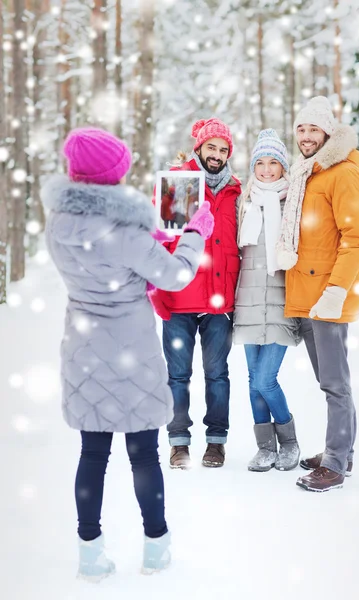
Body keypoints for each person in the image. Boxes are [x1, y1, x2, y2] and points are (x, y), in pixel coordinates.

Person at [41, 127, 214, 581]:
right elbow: (176, 275)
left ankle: (89, 554)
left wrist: (145, 240)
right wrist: (194, 232)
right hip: (131, 353)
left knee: (92, 454)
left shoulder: (58, 222)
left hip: (84, 348)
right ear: (112, 175)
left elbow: (103, 265)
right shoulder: (126, 231)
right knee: (143, 454)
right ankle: (156, 548)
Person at [276, 96, 359, 492]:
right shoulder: (306, 173)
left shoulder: (341, 173)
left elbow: (357, 239)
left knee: (335, 383)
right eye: (301, 128)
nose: (306, 135)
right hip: (308, 294)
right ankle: (342, 451)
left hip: (327, 296)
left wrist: (335, 290)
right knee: (330, 381)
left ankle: (334, 462)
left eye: (314, 129)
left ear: (328, 132)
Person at [149, 118, 242, 469]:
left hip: (219, 300)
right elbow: (161, 240)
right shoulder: (178, 182)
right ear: (199, 147)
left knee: (218, 374)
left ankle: (216, 443)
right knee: (177, 374)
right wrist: (157, 285)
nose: (216, 154)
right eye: (211, 147)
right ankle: (178, 442)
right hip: (180, 298)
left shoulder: (235, 190)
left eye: (223, 149)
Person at [234, 129, 302, 472]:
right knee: (252, 381)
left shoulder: (293, 202)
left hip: (280, 302)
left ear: (282, 166)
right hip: (246, 303)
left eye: (272, 162)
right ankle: (265, 448)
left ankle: (289, 442)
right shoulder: (245, 203)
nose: (265, 169)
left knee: (265, 379)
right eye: (259, 162)